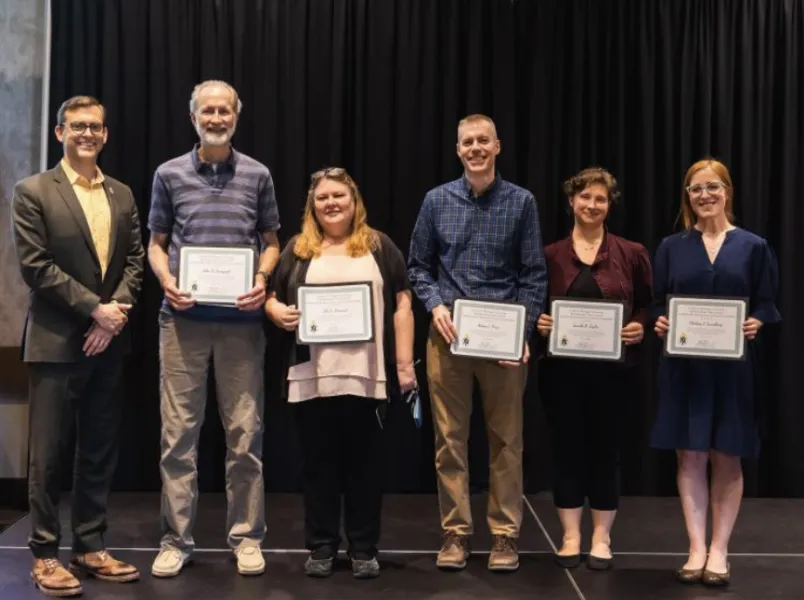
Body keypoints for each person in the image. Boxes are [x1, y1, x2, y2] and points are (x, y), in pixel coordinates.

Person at [11, 95, 144, 597]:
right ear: (59, 132)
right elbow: (36, 266)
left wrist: (113, 318)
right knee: (47, 457)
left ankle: (90, 546)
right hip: (55, 343)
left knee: (98, 451)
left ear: (106, 135)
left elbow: (133, 262)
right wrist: (96, 309)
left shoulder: (123, 194)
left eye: (96, 126)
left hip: (107, 342)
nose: (87, 133)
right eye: (78, 126)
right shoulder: (32, 191)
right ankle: (45, 554)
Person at [147, 80, 281, 578]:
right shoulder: (169, 174)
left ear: (236, 117)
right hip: (182, 324)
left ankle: (246, 538)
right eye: (209, 110)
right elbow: (156, 244)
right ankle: (175, 541)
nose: (217, 117)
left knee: (245, 436)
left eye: (225, 110)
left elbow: (271, 241)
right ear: (194, 117)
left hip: (242, 326)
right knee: (178, 436)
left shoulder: (258, 175)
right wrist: (166, 280)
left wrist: (263, 280)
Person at [407, 114, 547, 572]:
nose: (475, 148)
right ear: (458, 149)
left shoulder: (522, 202)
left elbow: (533, 276)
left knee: (507, 441)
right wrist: (436, 305)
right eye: (467, 142)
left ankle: (505, 536)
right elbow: (417, 267)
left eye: (483, 140)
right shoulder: (436, 200)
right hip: (447, 338)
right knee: (450, 439)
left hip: (502, 341)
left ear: (498, 146)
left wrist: (522, 334)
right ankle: (456, 532)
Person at [265, 167, 416, 579]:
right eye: (322, 198)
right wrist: (275, 311)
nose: (331, 204)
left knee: (366, 467)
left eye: (339, 197)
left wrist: (404, 366)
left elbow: (403, 304)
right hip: (312, 377)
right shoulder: (297, 249)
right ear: (312, 206)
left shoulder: (379, 247)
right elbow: (271, 297)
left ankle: (364, 548)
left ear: (354, 202)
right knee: (318, 468)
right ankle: (322, 546)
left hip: (366, 376)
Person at [651, 158, 780, 586]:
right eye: (695, 189)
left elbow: (766, 303)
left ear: (727, 191)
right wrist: (660, 321)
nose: (704, 196)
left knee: (727, 455)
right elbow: (656, 303)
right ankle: (695, 548)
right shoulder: (672, 247)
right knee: (689, 455)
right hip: (684, 368)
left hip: (732, 370)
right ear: (687, 197)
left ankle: (720, 550)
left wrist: (757, 321)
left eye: (712, 187)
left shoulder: (753, 246)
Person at [535, 167, 653, 570]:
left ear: (609, 205)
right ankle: (570, 536)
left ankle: (602, 538)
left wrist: (640, 326)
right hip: (562, 373)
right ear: (571, 201)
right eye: (585, 197)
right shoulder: (550, 254)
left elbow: (646, 304)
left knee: (606, 451)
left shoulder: (631, 252)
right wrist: (539, 321)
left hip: (614, 374)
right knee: (566, 449)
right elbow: (534, 303)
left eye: (600, 199)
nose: (592, 205)